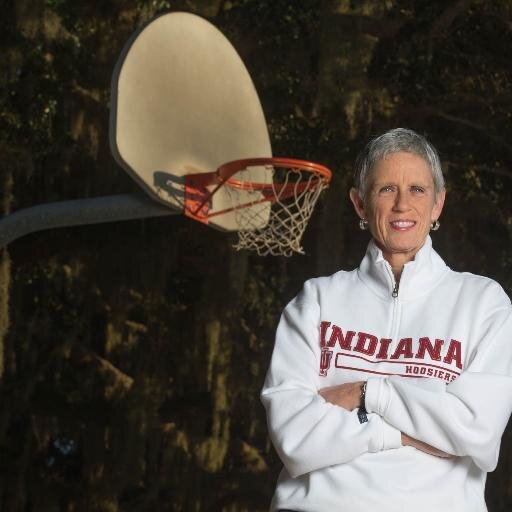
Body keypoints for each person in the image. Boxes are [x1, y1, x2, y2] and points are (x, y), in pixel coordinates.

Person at [261, 128, 512, 512]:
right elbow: (294, 437)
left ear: (438, 204)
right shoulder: (316, 300)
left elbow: (477, 432)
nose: (402, 206)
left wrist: (366, 393)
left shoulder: (483, 303)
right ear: (360, 204)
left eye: (417, 190)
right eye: (385, 189)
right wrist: (407, 433)